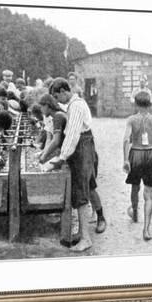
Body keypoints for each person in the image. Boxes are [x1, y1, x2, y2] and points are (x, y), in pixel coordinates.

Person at [48, 78, 106, 251]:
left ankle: (86, 239)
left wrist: (61, 158)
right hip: (82, 146)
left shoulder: (76, 106)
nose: (57, 101)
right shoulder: (73, 105)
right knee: (86, 186)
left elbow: (72, 134)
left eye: (57, 96)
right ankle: (82, 233)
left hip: (82, 147)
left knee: (81, 193)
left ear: (64, 91)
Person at [123, 91, 152, 241]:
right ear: (150, 103)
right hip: (151, 153)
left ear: (136, 104)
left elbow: (126, 140)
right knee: (149, 193)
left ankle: (135, 213)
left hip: (136, 153)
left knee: (134, 186)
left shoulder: (131, 119)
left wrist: (125, 159)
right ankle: (146, 229)